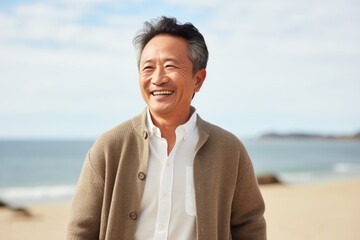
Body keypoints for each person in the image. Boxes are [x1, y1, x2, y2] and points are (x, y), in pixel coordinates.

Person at [65, 16, 266, 240]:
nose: (158, 79)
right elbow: (80, 231)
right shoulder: (109, 147)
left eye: (170, 66)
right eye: (148, 68)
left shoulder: (229, 150)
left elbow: (250, 225)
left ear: (198, 80)